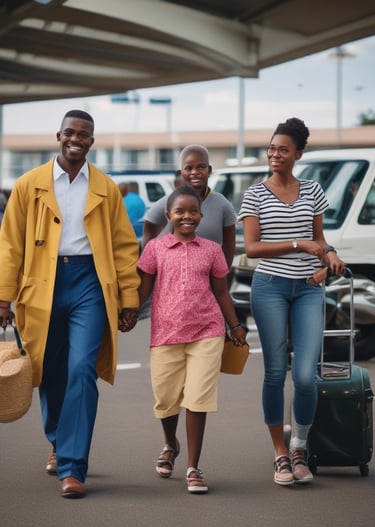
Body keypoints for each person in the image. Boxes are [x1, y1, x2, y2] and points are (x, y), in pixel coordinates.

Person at [0, 110, 140, 499]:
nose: (76, 139)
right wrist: (2, 297)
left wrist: (128, 299)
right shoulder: (29, 185)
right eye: (70, 133)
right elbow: (9, 243)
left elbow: (125, 248)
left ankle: (73, 466)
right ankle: (59, 440)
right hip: (40, 284)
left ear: (92, 142)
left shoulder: (107, 189)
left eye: (84, 135)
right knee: (50, 368)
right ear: (58, 135)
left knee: (81, 369)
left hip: (89, 284)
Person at [238, 117, 345, 486]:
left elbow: (319, 238)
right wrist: (301, 245)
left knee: (304, 375)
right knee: (274, 372)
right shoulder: (255, 193)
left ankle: (298, 445)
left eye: (283, 150)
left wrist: (329, 254)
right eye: (271, 148)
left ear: (298, 154)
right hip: (269, 286)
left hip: (308, 289)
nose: (275, 154)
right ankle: (279, 454)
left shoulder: (313, 190)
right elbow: (252, 249)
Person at [137, 185, 247, 494]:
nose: (187, 216)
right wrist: (129, 312)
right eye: (180, 211)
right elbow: (144, 289)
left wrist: (234, 325)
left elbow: (222, 292)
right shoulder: (155, 249)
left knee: (198, 398)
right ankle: (171, 444)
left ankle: (193, 468)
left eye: (193, 211)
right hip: (165, 333)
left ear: (201, 215)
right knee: (166, 399)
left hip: (207, 332)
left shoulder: (211, 250)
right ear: (169, 215)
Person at [142, 144, 237, 269]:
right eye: (188, 168)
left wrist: (220, 276)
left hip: (207, 282)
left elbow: (229, 247)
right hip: (171, 281)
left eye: (201, 167)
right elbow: (148, 245)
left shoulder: (222, 205)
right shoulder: (164, 205)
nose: (195, 172)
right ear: (180, 173)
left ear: (209, 170)